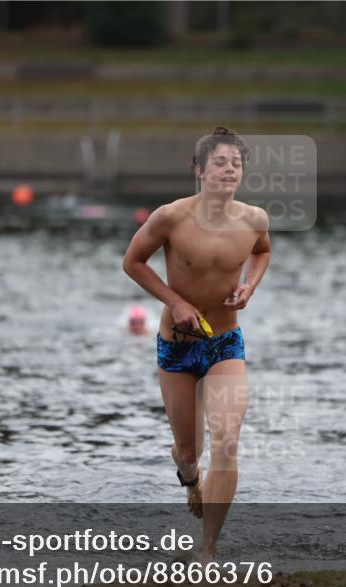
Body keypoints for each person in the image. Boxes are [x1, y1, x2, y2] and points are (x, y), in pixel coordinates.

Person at [122, 126, 271, 563]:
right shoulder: (171, 217)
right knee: (190, 451)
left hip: (225, 343)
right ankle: (190, 477)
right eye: (221, 162)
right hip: (178, 346)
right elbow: (132, 262)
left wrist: (251, 286)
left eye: (236, 163)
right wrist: (176, 301)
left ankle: (208, 548)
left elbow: (262, 251)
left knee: (227, 439)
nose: (229, 170)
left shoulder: (254, 219)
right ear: (200, 170)